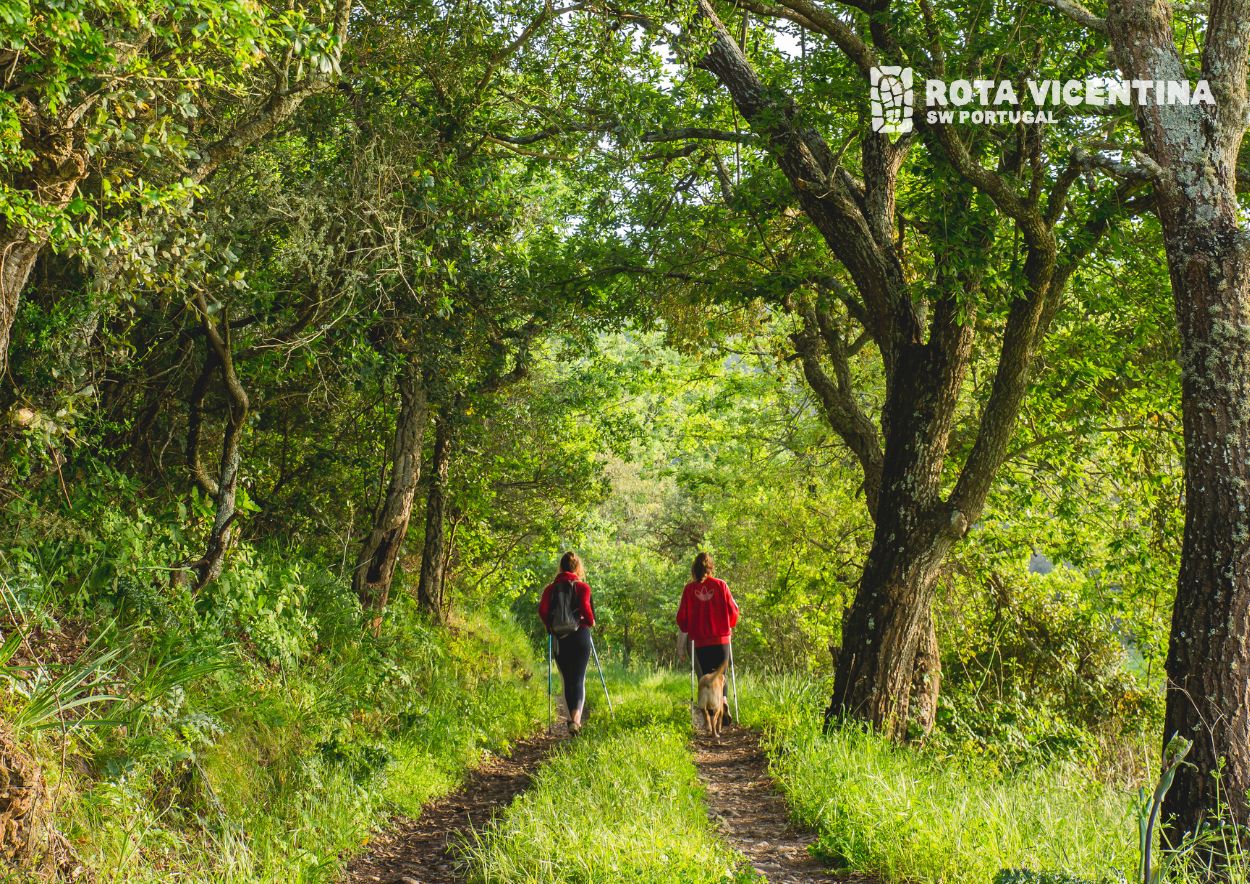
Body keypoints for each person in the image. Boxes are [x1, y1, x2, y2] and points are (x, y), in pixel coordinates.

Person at [538, 551, 596, 735]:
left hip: (560, 638)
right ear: (578, 567)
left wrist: (550, 626)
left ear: (561, 567)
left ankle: (572, 719)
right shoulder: (583, 587)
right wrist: (590, 621)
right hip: (580, 636)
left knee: (567, 679)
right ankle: (576, 720)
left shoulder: (550, 589)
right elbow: (586, 608)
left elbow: (543, 610)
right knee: (579, 679)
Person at [677, 551, 739, 719]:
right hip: (722, 640)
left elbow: (682, 618)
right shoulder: (721, 585)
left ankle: (712, 710)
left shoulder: (689, 589)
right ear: (711, 568)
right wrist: (730, 624)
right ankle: (723, 700)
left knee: (706, 678)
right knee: (721, 676)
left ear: (694, 569)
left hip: (700, 642)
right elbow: (734, 610)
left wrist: (687, 628)